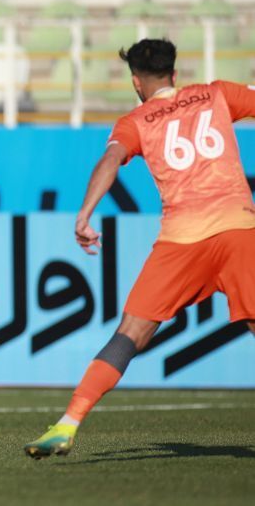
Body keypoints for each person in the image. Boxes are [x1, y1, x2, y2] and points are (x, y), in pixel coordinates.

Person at [24, 39, 255, 459]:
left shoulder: (135, 121)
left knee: (129, 334)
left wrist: (84, 215)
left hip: (182, 241)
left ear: (135, 81)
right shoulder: (219, 93)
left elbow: (110, 161)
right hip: (240, 230)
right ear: (174, 72)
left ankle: (68, 424)